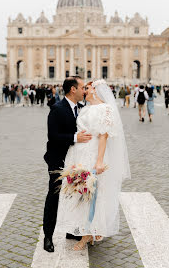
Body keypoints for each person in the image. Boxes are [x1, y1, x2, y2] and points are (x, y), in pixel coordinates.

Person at [56, 79, 130, 251]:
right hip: (78, 153)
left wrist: (99, 160)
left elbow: (103, 136)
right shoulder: (86, 108)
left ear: (95, 91)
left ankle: (87, 233)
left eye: (86, 88)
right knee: (80, 193)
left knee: (91, 194)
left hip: (93, 154)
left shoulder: (106, 109)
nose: (84, 91)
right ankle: (87, 229)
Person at [43, 76, 93, 252]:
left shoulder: (81, 108)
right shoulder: (57, 109)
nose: (84, 91)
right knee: (54, 196)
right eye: (82, 88)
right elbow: (53, 136)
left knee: (74, 194)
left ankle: (72, 231)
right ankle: (48, 236)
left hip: (75, 160)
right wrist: (75, 138)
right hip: (58, 159)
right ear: (73, 89)